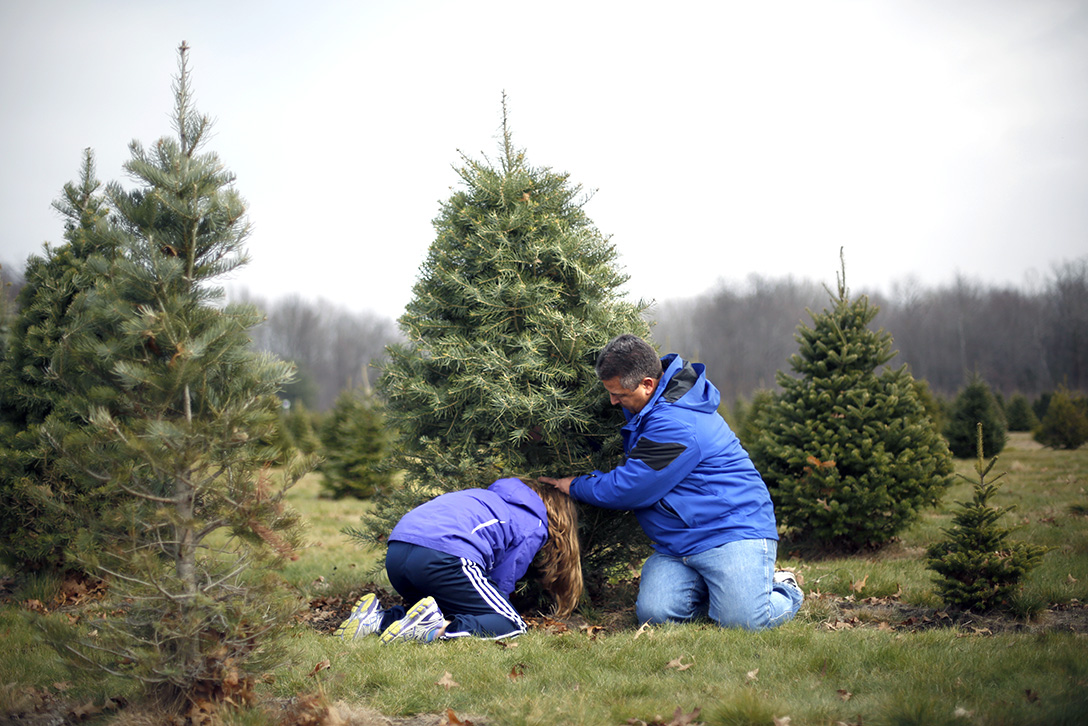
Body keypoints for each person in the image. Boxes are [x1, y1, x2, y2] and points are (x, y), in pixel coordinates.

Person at [539, 333, 802, 630]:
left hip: (731, 531)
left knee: (743, 622)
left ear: (648, 384)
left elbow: (630, 487)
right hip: (677, 546)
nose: (613, 402)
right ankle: (722, 591)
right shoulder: (653, 403)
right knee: (656, 616)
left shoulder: (677, 423)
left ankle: (784, 587)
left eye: (620, 395)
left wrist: (573, 484)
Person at [335, 477, 581, 643]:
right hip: (444, 555)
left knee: (436, 607)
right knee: (510, 622)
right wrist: (496, 604)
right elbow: (505, 575)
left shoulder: (484, 497)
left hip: (398, 551)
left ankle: (374, 620)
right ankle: (434, 630)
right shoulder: (533, 520)